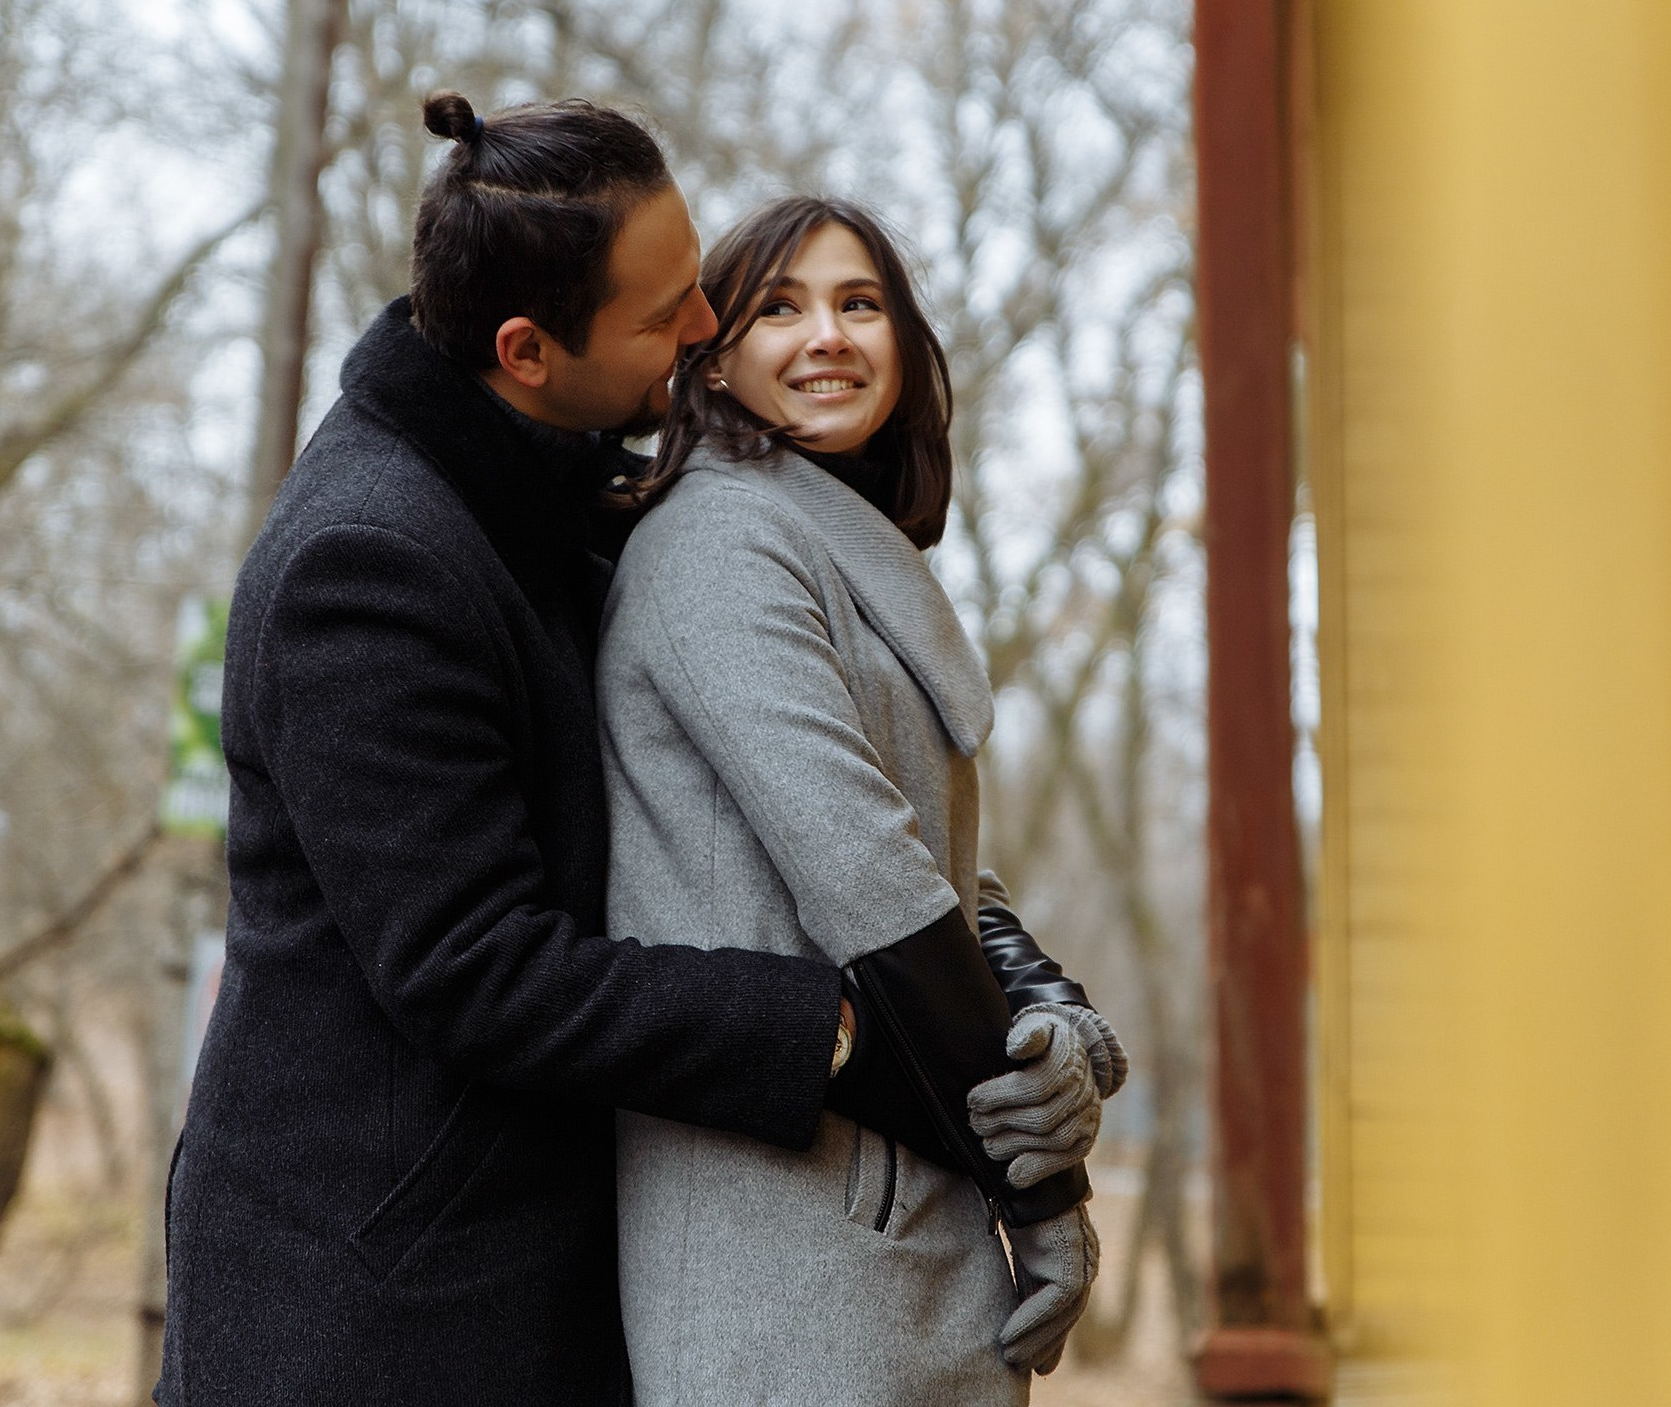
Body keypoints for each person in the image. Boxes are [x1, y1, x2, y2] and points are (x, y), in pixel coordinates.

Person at [156, 100, 1102, 1407]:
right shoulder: (367, 565)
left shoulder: (561, 494)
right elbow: (475, 970)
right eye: (667, 317)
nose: (706, 325)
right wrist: (826, 1033)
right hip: (380, 1304)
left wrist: (1027, 995)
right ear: (528, 350)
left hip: (549, 1265)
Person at [601, 196, 1130, 1405]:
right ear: (710, 355)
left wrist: (1051, 1017)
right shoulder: (719, 545)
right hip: (787, 1238)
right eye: (779, 308)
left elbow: (942, 868)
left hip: (893, 1217)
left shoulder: (832, 542)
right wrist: (1042, 1190)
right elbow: (871, 877)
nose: (828, 335)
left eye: (860, 302)